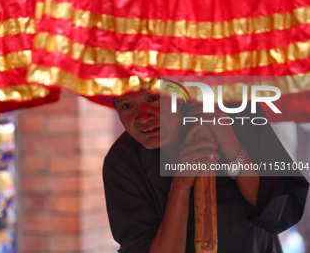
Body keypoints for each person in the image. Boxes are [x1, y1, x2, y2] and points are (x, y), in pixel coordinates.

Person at [103, 89, 309, 253]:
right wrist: (181, 184)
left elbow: (281, 216)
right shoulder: (123, 162)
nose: (143, 116)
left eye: (154, 98)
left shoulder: (237, 113)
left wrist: (231, 144)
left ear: (180, 95)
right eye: (127, 105)